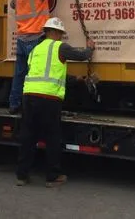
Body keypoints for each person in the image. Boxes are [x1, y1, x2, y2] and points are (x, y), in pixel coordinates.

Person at [15, 17, 94, 188]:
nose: (60, 36)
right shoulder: (60, 47)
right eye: (59, 33)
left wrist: (75, 79)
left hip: (29, 96)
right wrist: (90, 48)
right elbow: (81, 56)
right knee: (52, 138)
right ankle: (52, 176)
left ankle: (22, 175)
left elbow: (44, 72)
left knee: (28, 137)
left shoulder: (35, 49)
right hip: (49, 99)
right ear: (54, 32)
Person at [7, 0, 75, 114]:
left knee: (19, 74)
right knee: (35, 75)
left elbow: (12, 5)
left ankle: (14, 105)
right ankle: (31, 107)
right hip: (35, 38)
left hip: (21, 39)